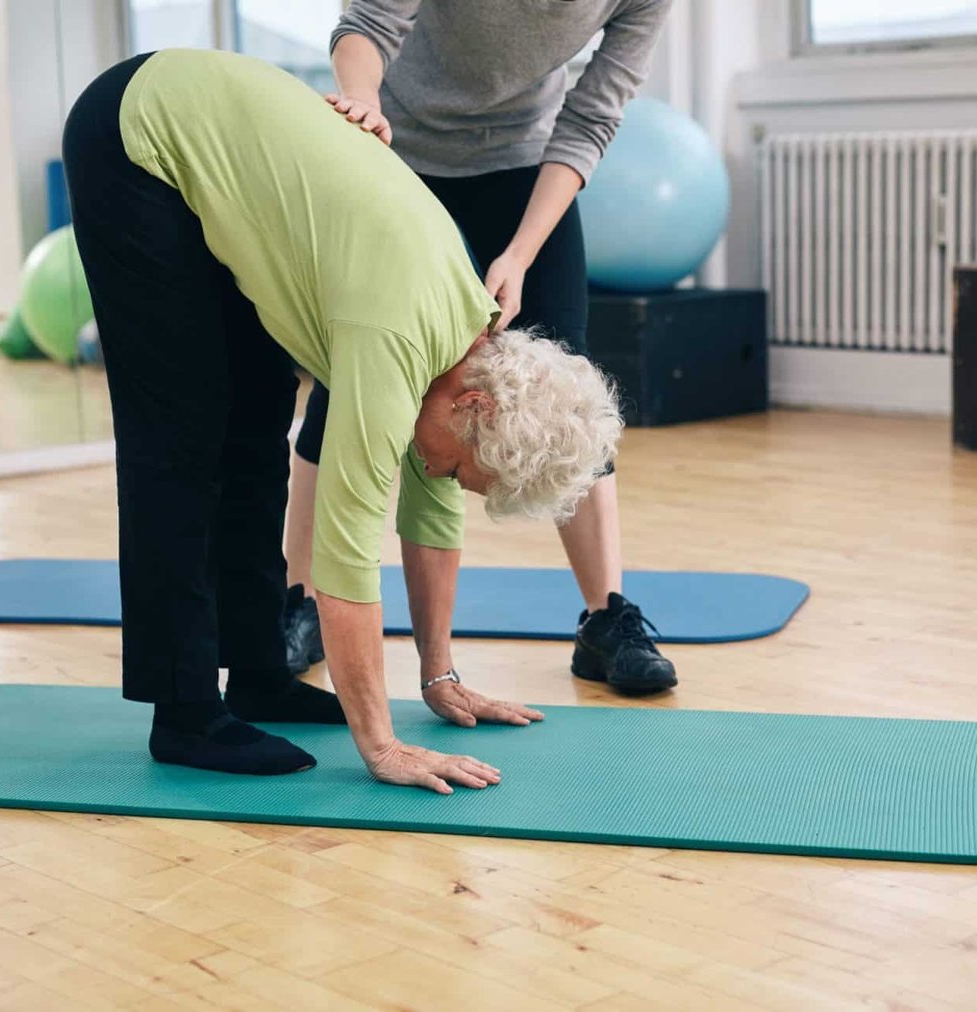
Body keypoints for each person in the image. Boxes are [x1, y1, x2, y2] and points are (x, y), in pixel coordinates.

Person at [62, 48, 621, 789]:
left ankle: (259, 673)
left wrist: (437, 675)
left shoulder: (466, 348)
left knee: (258, 425)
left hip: (216, 150)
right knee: (180, 435)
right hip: (138, 133)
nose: (443, 477)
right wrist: (382, 745)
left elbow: (430, 514)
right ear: (475, 405)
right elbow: (347, 558)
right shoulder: (396, 339)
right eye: (460, 468)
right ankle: (185, 710)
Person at [282, 0, 678, 696]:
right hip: (392, 142)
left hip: (522, 161)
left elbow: (591, 117)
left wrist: (522, 252)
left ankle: (604, 618)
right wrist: (363, 113)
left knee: (566, 375)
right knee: (346, 368)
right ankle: (298, 602)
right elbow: (367, 25)